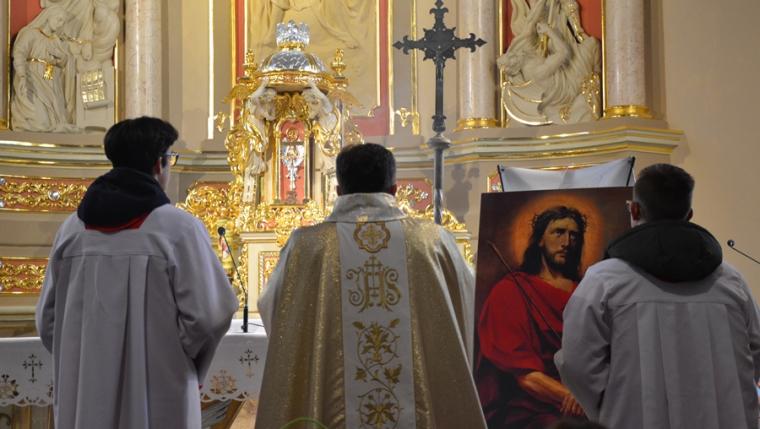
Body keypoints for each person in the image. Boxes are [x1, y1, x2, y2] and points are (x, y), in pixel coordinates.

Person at [256, 143, 486, 428]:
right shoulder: (431, 241)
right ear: (394, 190)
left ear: (338, 190)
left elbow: (274, 309)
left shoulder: (308, 245)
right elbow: (471, 303)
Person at [36, 117, 239, 428]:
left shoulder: (71, 230)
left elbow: (48, 320)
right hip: (160, 387)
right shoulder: (178, 229)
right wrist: (173, 354)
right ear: (159, 163)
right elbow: (211, 315)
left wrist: (83, 356)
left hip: (85, 390)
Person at [557, 163, 760, 429]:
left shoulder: (603, 282)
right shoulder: (732, 282)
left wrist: (612, 405)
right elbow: (756, 352)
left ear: (634, 210)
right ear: (689, 215)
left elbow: (576, 364)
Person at [477, 206, 587, 428]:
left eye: (574, 235)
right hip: (532, 409)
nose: (567, 242)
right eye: (558, 232)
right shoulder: (511, 290)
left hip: (587, 402)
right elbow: (525, 375)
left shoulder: (588, 290)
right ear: (540, 240)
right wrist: (572, 397)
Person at [11, 6, 78, 132]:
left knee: (56, 114)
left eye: (63, 22)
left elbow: (63, 62)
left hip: (51, 80)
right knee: (40, 117)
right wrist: (22, 75)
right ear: (48, 16)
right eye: (59, 19)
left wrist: (60, 56)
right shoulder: (30, 33)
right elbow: (19, 53)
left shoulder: (56, 40)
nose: (60, 24)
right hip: (33, 77)